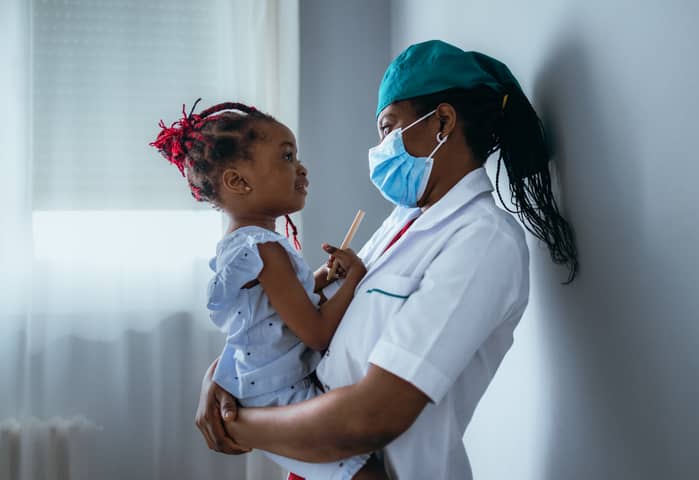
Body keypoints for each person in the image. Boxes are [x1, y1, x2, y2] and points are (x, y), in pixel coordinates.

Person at [195, 40, 579, 479]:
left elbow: (369, 418)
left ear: (443, 122)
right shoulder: (406, 220)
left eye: (387, 127)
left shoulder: (482, 241)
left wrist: (239, 423)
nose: (380, 147)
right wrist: (222, 374)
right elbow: (297, 318)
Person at [150, 100, 388, 480]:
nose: (302, 167)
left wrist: (326, 275)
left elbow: (276, 304)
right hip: (280, 394)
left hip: (257, 386)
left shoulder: (241, 244)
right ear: (237, 181)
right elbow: (316, 332)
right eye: (287, 156)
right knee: (364, 473)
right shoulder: (266, 249)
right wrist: (354, 279)